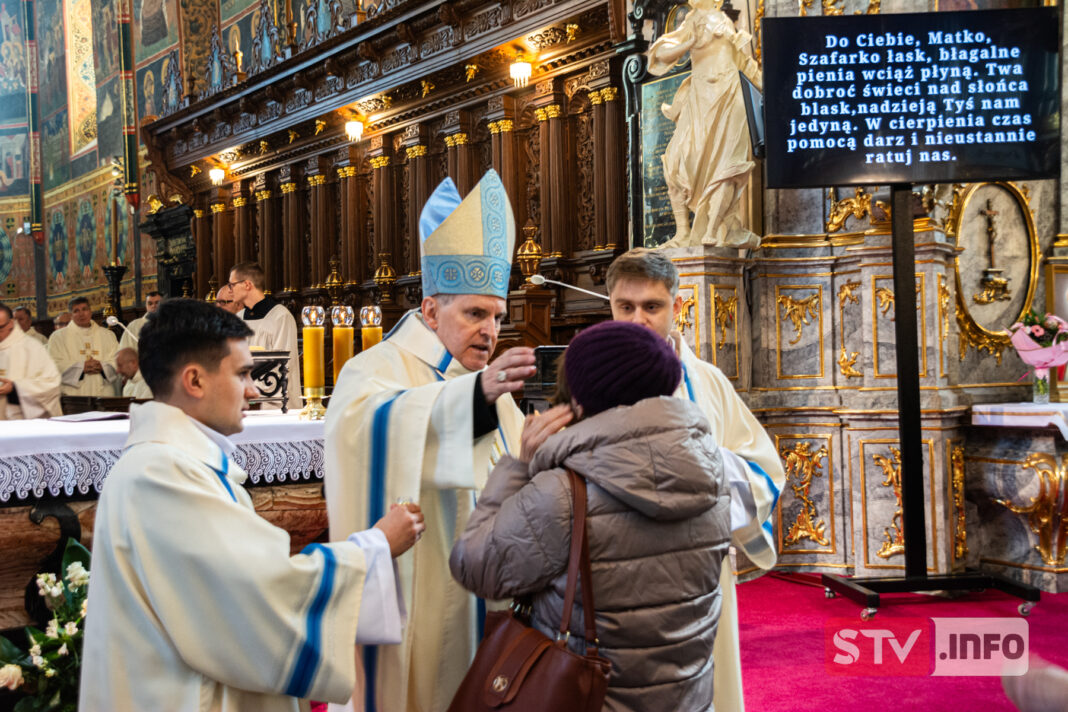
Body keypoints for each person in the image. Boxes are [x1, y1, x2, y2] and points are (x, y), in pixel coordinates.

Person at [79, 298, 426, 711]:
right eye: (243, 373)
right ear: (195, 380)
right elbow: (256, 598)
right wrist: (375, 547)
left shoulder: (175, 463)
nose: (254, 389)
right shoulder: (162, 474)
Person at [325, 170, 531, 712]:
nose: (489, 331)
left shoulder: (488, 384)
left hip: (485, 600)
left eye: (497, 317)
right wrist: (471, 401)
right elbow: (364, 432)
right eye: (474, 313)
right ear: (431, 309)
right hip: (418, 589)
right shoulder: (374, 369)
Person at [451, 320, 730, 711]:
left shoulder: (562, 492)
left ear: (578, 401)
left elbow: (474, 567)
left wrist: (519, 466)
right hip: (687, 699)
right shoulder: (713, 474)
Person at [606, 247, 784, 712]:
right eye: (626, 307)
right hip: (618, 579)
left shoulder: (707, 382)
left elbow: (765, 471)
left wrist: (703, 471)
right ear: (610, 307)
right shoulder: (587, 381)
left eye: (652, 306)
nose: (638, 320)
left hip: (696, 574)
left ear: (677, 308)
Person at [647, 0, 761, 248]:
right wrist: (689, 42)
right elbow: (660, 56)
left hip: (730, 97)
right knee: (675, 162)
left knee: (728, 167)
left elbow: (748, 67)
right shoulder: (692, 21)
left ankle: (713, 229)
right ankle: (683, 233)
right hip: (700, 99)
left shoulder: (725, 24)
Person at [228, 262, 302, 410]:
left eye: (232, 285)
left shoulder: (280, 317)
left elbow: (284, 365)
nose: (230, 291)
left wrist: (250, 391)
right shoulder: (239, 318)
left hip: (276, 405)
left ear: (247, 285)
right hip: (245, 402)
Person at [47, 296, 120, 397]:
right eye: (76, 311)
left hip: (104, 393)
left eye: (84, 309)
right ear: (71, 315)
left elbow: (117, 360)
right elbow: (54, 364)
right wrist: (81, 368)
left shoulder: (107, 335)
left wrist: (102, 367)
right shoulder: (58, 337)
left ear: (90, 311)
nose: (81, 314)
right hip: (73, 395)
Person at [0, 303, 61, 419]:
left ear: (11, 323)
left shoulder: (32, 347)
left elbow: (51, 385)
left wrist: (15, 388)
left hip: (19, 424)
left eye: (0, 328)